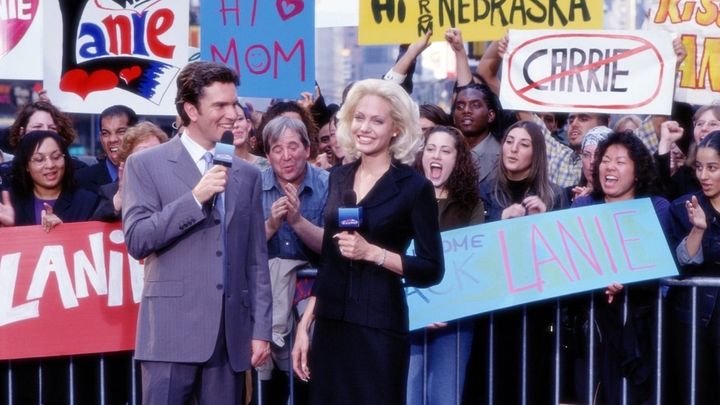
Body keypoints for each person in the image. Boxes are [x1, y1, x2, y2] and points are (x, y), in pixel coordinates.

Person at [122, 61, 272, 404]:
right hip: (169, 335)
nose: (232, 114)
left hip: (229, 337)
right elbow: (138, 239)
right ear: (191, 110)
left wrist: (261, 329)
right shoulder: (145, 164)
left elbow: (256, 261)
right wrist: (194, 198)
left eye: (233, 103)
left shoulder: (247, 174)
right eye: (220, 105)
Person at [291, 78, 444, 404]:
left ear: (396, 129)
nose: (365, 127)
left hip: (379, 326)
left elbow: (432, 268)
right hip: (331, 325)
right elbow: (330, 260)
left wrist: (373, 253)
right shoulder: (339, 177)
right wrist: (305, 324)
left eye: (377, 120)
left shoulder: (414, 187)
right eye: (359, 118)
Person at [572, 131, 670, 404]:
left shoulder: (657, 208)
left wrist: (628, 281)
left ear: (638, 171)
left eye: (620, 161)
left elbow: (660, 262)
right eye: (605, 160)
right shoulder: (582, 206)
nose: (610, 167)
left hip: (639, 326)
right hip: (593, 322)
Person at [0, 130, 98, 404]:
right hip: (21, 327)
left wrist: (66, 234)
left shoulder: (87, 200)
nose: (50, 165)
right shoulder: (10, 203)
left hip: (72, 327)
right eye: (39, 159)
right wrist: (10, 230)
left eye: (56, 157)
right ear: (25, 165)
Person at [473, 120, 566, 404]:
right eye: (509, 141)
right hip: (492, 307)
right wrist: (499, 221)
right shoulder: (483, 191)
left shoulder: (555, 195)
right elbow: (470, 242)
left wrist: (544, 222)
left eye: (523, 144)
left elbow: (564, 256)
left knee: (532, 383)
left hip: (536, 310)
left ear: (536, 153)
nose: (513, 149)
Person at [407, 125, 483, 405]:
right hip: (409, 312)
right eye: (431, 149)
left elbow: (474, 262)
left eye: (445, 150)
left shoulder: (471, 205)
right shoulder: (404, 197)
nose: (436, 155)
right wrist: (421, 308)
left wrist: (441, 307)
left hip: (454, 318)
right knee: (408, 394)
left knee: (445, 396)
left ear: (457, 159)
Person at [259, 116, 328, 403]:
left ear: (307, 149)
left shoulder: (327, 183)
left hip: (313, 296)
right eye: (277, 149)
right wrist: (271, 225)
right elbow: (240, 247)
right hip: (266, 296)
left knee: (309, 375)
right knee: (266, 385)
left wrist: (298, 221)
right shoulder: (253, 184)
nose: (286, 156)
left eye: (293, 147)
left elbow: (332, 247)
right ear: (267, 155)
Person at [668, 130, 720, 404]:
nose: (703, 176)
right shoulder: (684, 207)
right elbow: (682, 262)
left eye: (712, 168)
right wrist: (698, 229)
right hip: (694, 322)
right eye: (699, 167)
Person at [92, 121, 168, 222]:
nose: (150, 159)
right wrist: (120, 197)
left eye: (155, 152)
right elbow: (95, 225)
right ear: (127, 160)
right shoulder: (110, 191)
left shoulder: (174, 186)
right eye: (143, 154)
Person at [1, 101, 85, 189]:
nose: (45, 132)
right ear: (22, 132)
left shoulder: (79, 171)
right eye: (37, 127)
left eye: (52, 128)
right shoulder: (5, 174)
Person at [76, 105, 139, 194]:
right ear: (101, 137)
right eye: (106, 133)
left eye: (121, 132)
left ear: (136, 134)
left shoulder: (149, 174)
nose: (112, 139)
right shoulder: (82, 180)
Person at [232, 103, 269, 169]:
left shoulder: (267, 166)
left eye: (240, 119)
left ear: (249, 125)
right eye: (229, 121)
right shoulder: (214, 165)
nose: (235, 125)